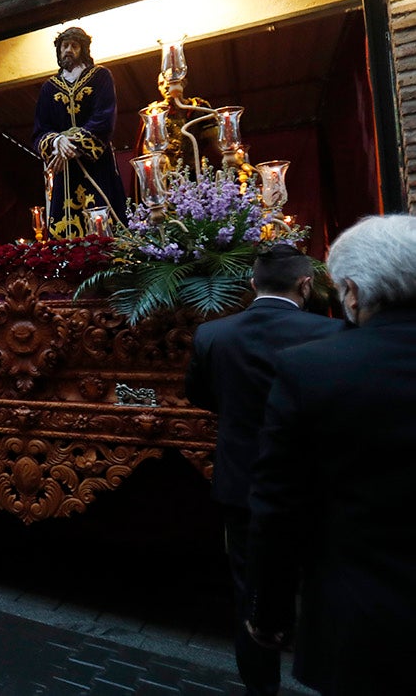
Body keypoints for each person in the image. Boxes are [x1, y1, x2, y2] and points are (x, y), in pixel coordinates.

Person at [247, 214, 416, 694]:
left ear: (354, 291)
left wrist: (269, 611)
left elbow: (278, 508)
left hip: (369, 616)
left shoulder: (314, 367)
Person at [184, 245, 341, 696]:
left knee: (249, 591)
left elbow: (198, 394)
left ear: (252, 283)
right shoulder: (329, 333)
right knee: (322, 581)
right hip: (317, 482)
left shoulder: (213, 334)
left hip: (243, 480)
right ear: (306, 284)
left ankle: (260, 686)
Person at [32, 26, 127, 238]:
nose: (68, 50)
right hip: (66, 170)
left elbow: (104, 117)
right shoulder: (49, 88)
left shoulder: (100, 76)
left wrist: (72, 143)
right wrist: (57, 142)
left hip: (97, 164)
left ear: (83, 49)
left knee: (104, 220)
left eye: (74, 46)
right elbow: (40, 130)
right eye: (64, 46)